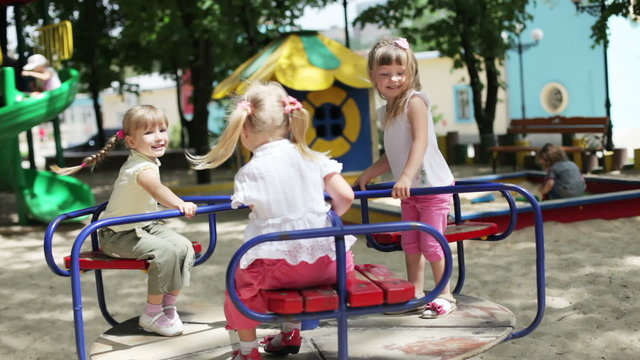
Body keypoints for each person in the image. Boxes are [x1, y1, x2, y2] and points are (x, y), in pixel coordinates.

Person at [188, 82, 356, 360]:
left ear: (245, 129)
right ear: (289, 123)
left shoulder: (249, 171)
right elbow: (346, 196)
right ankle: (290, 333)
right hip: (331, 263)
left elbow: (257, 207)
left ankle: (247, 351)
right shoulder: (312, 157)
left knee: (238, 289)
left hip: (277, 270)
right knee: (295, 265)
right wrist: (325, 217)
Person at [51, 105, 197, 337]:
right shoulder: (140, 167)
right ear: (130, 142)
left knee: (184, 247)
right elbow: (156, 189)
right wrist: (179, 203)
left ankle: (167, 307)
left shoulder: (147, 160)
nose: (158, 137)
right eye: (149, 133)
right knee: (166, 253)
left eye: (162, 129)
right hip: (118, 236)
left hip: (145, 227)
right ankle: (151, 313)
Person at [355, 37, 456, 319]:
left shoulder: (415, 103)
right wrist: (370, 173)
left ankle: (445, 293)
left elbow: (420, 142)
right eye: (385, 74)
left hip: (431, 185)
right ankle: (415, 292)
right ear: (373, 77)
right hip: (410, 188)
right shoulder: (386, 112)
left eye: (400, 73)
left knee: (432, 242)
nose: (394, 79)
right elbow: (393, 152)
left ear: (411, 72)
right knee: (411, 241)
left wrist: (407, 176)